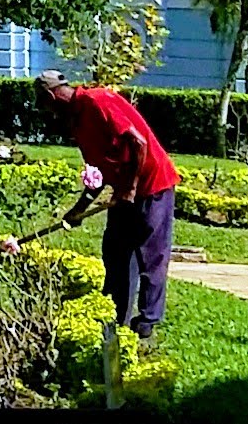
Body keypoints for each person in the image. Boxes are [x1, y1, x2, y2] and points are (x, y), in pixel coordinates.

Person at [35, 68, 180, 345]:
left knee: (150, 256)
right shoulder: (76, 122)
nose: (47, 113)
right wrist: (79, 208)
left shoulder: (97, 101)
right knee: (115, 251)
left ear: (51, 95)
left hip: (152, 184)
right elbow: (97, 171)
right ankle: (116, 317)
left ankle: (147, 323)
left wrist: (131, 187)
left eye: (44, 105)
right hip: (125, 188)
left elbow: (138, 142)